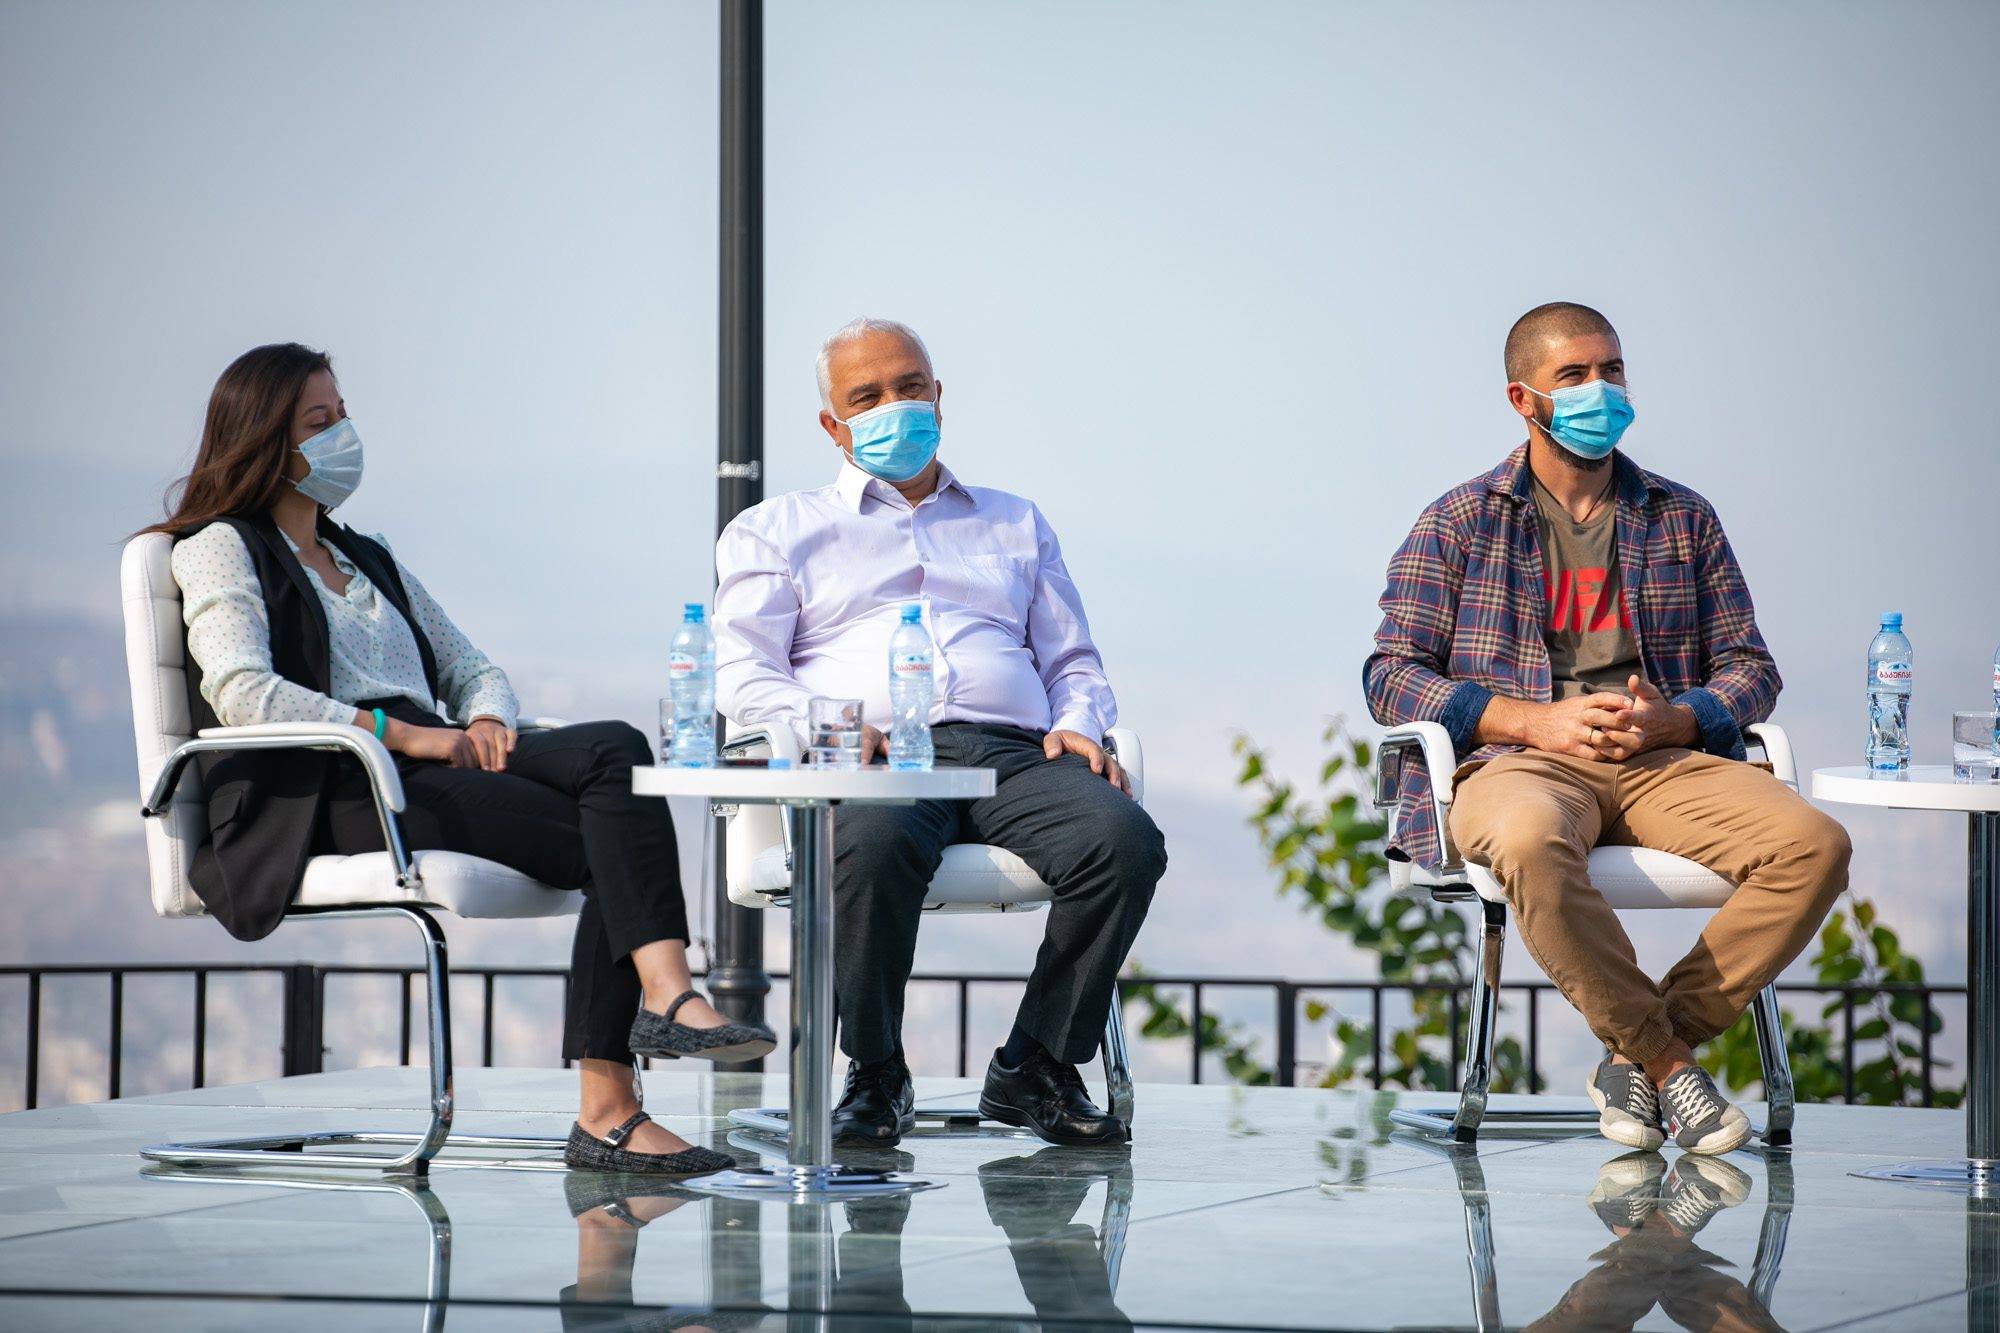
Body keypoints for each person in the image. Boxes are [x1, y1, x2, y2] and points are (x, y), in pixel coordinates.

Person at [143, 342, 773, 1175]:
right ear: (265, 440)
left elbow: (472, 666)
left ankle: (663, 999)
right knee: (611, 845)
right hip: (341, 782)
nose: (342, 435)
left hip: (432, 761)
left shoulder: (365, 555)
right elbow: (243, 691)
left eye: (343, 414)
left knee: (616, 748)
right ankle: (613, 1103)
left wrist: (483, 718)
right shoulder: (219, 545)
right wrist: (402, 734)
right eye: (319, 422)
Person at [1364, 303, 1851, 1156]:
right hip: (1521, 763)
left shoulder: (1682, 517)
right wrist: (1533, 721)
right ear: (1523, 399)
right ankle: (1670, 1066)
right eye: (1575, 375)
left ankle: (1641, 1053)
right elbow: (1389, 674)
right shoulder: (1459, 521)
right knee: (1526, 840)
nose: (1602, 389)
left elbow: (1752, 667)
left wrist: (1680, 716)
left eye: (1612, 370)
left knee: (1816, 846)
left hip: (1663, 760)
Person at [714, 317, 1166, 1148]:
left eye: (909, 386)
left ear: (939, 398)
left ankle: (1034, 1064)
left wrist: (1077, 723)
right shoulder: (776, 530)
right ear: (833, 425)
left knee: (1125, 842)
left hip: (1013, 753)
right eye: (867, 396)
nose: (894, 405)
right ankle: (875, 1071)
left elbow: (1073, 660)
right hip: (878, 756)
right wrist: (832, 724)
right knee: (873, 841)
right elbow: (743, 674)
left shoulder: (1015, 521)